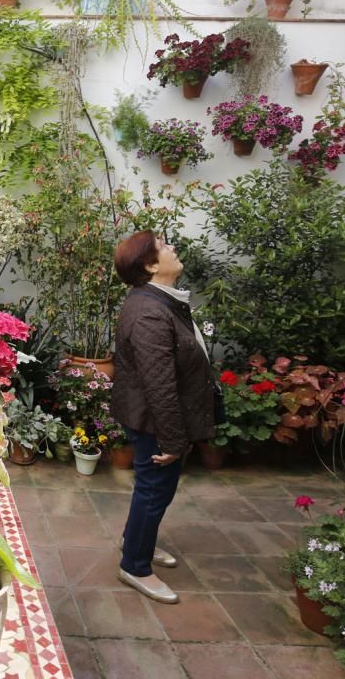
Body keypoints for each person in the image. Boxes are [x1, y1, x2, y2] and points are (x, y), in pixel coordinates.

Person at [110, 231, 214, 604]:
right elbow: (159, 385)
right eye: (164, 247)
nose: (173, 249)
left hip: (159, 419)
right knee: (155, 490)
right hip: (155, 421)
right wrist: (172, 440)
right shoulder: (150, 311)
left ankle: (135, 540)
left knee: (155, 489)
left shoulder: (160, 301)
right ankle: (135, 565)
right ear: (151, 265)